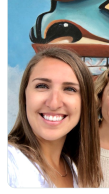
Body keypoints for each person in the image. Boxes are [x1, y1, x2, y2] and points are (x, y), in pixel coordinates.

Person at [8, 47, 101, 188]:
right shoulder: (8, 164)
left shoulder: (74, 168)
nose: (54, 103)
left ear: (85, 103)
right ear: (25, 96)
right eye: (42, 86)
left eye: (70, 89)